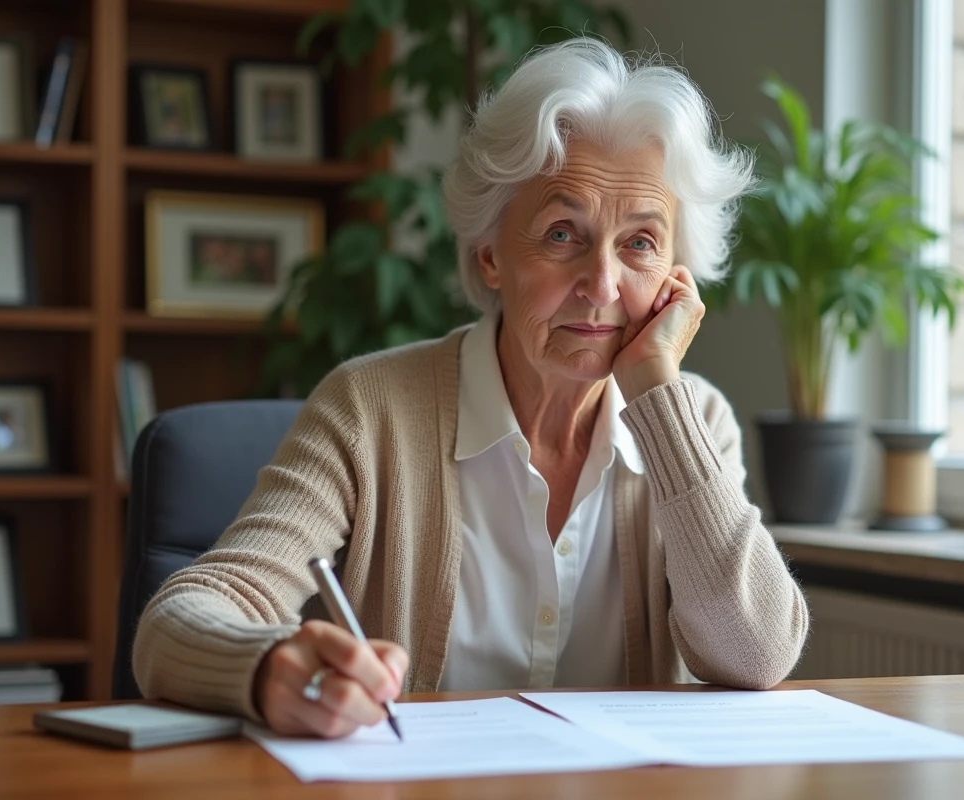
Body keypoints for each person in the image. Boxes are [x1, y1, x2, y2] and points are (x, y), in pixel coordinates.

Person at [133, 37, 810, 739]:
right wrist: (271, 665)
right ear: (490, 255)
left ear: (678, 275)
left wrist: (657, 398)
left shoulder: (694, 419)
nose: (603, 286)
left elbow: (756, 655)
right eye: (560, 233)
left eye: (640, 243)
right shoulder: (369, 411)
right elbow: (179, 623)